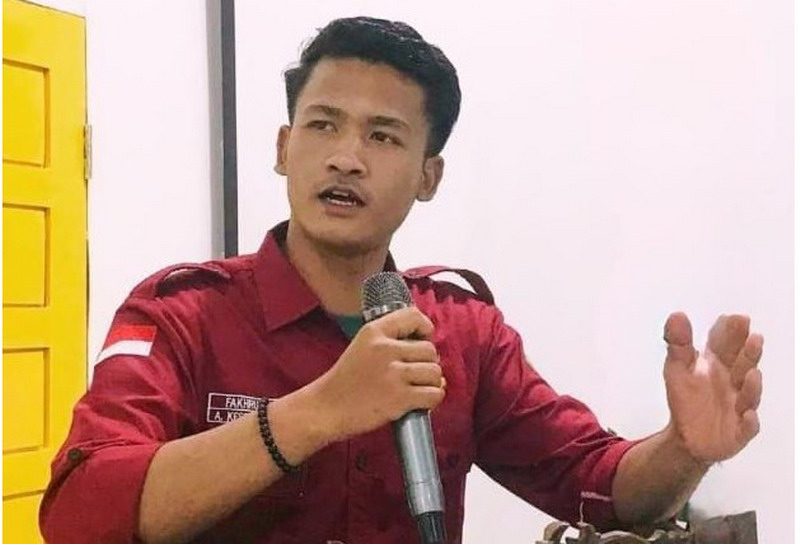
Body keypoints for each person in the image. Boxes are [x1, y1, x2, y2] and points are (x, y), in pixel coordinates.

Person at [39, 16, 764, 544]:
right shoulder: (182, 313)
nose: (346, 158)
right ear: (284, 149)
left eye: (382, 136)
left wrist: (684, 449)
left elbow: (597, 486)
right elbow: (78, 513)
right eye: (323, 125)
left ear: (428, 176)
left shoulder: (464, 331)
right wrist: (313, 413)